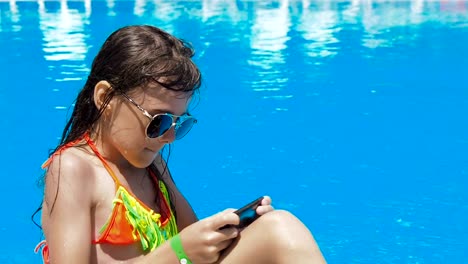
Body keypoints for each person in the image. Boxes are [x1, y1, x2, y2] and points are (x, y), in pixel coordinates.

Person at [34, 25, 326, 264]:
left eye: (178, 123)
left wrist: (233, 229)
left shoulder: (151, 165)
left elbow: (193, 241)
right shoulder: (74, 167)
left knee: (276, 227)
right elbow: (182, 251)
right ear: (105, 99)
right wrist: (177, 253)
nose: (169, 136)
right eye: (158, 121)